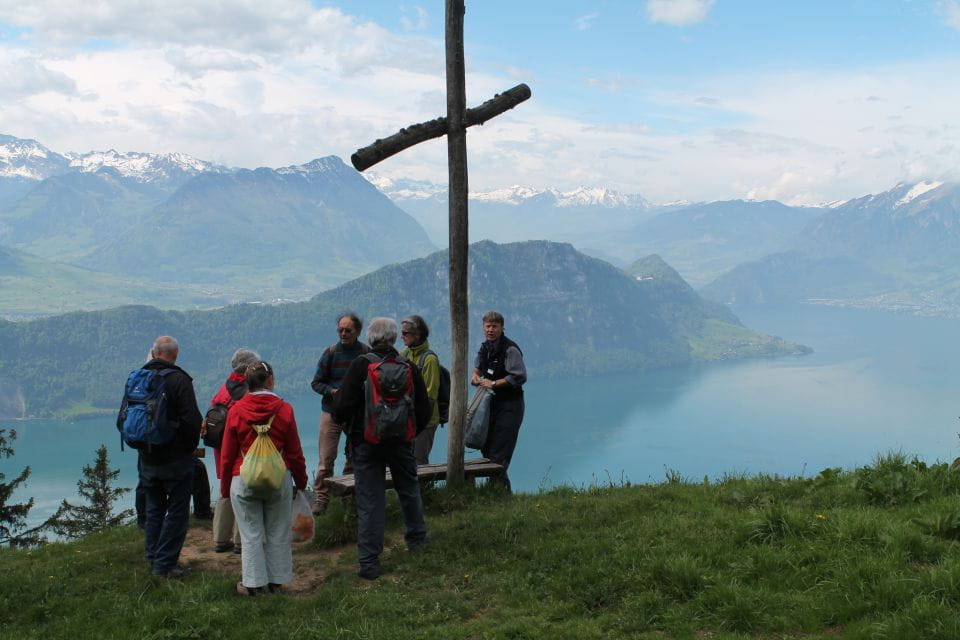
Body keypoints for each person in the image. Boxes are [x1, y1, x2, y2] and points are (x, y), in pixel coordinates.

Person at [333, 317, 431, 580]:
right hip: (401, 443)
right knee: (409, 490)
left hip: (366, 443)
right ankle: (418, 544)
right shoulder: (408, 366)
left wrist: (352, 428)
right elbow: (424, 410)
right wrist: (408, 433)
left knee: (370, 500)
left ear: (372, 339)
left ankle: (369, 563)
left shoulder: (360, 366)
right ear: (394, 339)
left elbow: (340, 407)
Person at [219, 360, 307, 596]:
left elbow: (227, 455)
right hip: (278, 479)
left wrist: (225, 487)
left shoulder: (236, 410)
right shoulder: (284, 409)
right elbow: (295, 452)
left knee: (250, 534)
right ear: (270, 380)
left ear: (247, 382)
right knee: (278, 531)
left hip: (243, 478)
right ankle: (276, 582)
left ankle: (254, 585)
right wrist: (301, 481)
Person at [119, 336, 203, 578]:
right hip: (175, 458)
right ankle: (164, 565)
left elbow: (122, 419)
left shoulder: (137, 378)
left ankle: (153, 557)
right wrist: (188, 449)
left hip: (146, 457)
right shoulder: (179, 380)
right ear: (175, 355)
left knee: (155, 509)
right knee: (177, 512)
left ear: (154, 353)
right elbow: (192, 421)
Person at [310, 312, 370, 514]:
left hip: (355, 413)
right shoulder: (331, 353)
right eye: (340, 330)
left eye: (348, 330)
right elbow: (316, 383)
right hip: (331, 411)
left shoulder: (365, 354)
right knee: (326, 458)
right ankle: (321, 497)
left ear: (358, 332)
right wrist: (333, 392)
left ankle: (348, 495)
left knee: (354, 455)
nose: (343, 333)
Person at [208, 347, 260, 553]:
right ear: (248, 368)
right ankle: (240, 540)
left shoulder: (223, 389)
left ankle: (220, 539)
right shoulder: (245, 392)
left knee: (226, 489)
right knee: (243, 490)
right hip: (240, 448)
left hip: (220, 447)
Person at [471, 311, 527, 492]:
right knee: (486, 446)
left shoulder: (510, 349)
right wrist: (475, 376)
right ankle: (500, 491)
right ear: (483, 327)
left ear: (502, 328)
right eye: (487, 326)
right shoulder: (485, 347)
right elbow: (478, 367)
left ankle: (496, 492)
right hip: (490, 405)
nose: (490, 330)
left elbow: (519, 376)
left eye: (495, 326)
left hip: (510, 405)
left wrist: (494, 383)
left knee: (499, 451)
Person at [399, 315, 441, 465]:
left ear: (417, 335)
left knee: (419, 460)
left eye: (405, 333)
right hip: (408, 418)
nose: (401, 336)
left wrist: (420, 421)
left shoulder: (430, 359)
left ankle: (424, 489)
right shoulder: (404, 354)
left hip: (426, 421)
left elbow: (431, 395)